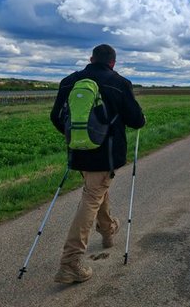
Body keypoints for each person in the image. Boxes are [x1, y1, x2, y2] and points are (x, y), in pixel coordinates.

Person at [50, 44, 145, 284]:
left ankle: (108, 230)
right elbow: (136, 120)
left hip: (78, 150)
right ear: (113, 62)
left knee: (97, 189)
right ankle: (70, 261)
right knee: (93, 195)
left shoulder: (69, 81)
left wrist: (78, 137)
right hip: (106, 154)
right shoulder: (119, 83)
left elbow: (56, 117)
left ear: (91, 59)